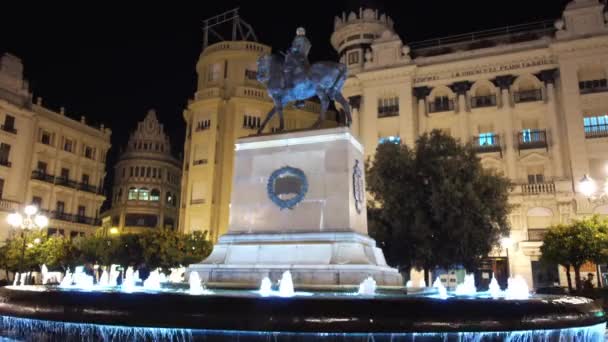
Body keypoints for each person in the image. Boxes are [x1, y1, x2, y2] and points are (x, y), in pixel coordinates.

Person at [284, 27, 311, 108]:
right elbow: (294, 47)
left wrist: (293, 50)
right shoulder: (298, 39)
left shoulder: (304, 40)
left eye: (300, 31)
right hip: (297, 56)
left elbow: (301, 48)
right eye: (298, 31)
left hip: (300, 56)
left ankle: (289, 85)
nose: (299, 32)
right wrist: (291, 50)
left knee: (288, 66)